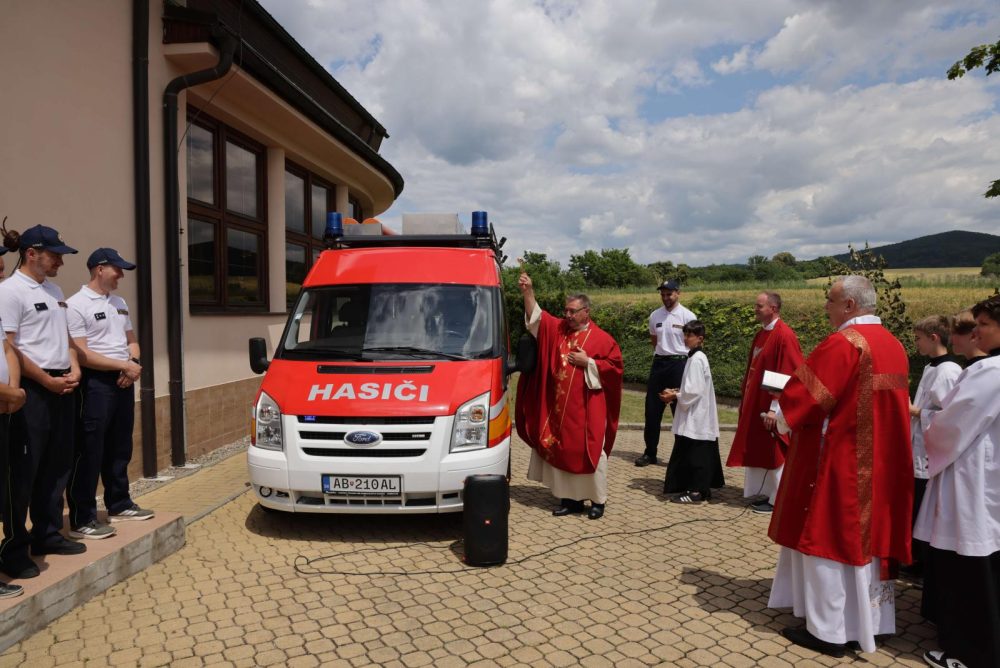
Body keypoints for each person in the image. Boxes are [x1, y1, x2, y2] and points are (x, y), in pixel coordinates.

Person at [766, 275, 912, 657]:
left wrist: (780, 416)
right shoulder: (894, 344)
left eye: (830, 301)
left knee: (826, 535)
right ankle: (872, 623)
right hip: (882, 462)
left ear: (849, 305)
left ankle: (829, 631)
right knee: (870, 540)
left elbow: (807, 396)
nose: (825, 308)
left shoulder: (845, 343)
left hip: (841, 461)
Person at [915, 294, 1000, 668]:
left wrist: (929, 425)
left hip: (974, 481)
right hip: (988, 478)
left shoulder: (990, 372)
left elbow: (950, 426)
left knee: (970, 568)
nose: (976, 331)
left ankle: (969, 654)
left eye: (984, 325)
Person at [0, 224, 85, 580]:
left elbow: (65, 338)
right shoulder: (10, 291)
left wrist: (74, 368)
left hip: (62, 386)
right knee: (24, 471)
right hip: (33, 390)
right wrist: (45, 380)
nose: (60, 262)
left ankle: (47, 533)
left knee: (57, 464)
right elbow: (10, 348)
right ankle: (14, 549)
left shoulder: (54, 290)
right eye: (55, 255)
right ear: (31, 253)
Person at [514, 270, 623, 520]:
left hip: (587, 410)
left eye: (573, 311)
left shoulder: (602, 340)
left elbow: (615, 370)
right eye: (566, 311)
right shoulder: (559, 330)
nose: (568, 315)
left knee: (592, 453)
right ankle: (570, 501)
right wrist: (528, 292)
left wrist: (590, 363)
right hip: (559, 410)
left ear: (586, 312)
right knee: (562, 452)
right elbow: (537, 318)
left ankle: (597, 501)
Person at [66, 248, 153, 539]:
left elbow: (131, 340)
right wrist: (124, 366)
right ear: (99, 269)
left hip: (123, 379)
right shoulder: (76, 304)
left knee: (120, 444)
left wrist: (133, 363)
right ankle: (83, 517)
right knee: (90, 448)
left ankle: (119, 503)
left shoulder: (119, 302)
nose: (121, 275)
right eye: (117, 269)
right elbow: (81, 353)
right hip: (96, 383)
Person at [726, 292, 803, 514]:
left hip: (771, 405)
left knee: (775, 449)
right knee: (762, 447)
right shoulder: (762, 334)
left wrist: (774, 409)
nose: (755, 309)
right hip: (757, 401)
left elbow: (787, 372)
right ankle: (768, 493)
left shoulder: (784, 335)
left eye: (759, 306)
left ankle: (780, 498)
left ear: (773, 308)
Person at [904, 316, 961, 578]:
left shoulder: (948, 372)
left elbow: (950, 417)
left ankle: (923, 563)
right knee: (917, 506)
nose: (916, 343)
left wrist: (915, 411)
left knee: (925, 509)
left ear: (934, 338)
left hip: (930, 454)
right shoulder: (932, 367)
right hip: (918, 447)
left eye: (918, 338)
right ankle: (916, 558)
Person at [661, 320, 724, 504]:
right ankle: (697, 488)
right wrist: (678, 391)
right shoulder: (694, 357)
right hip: (695, 410)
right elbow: (693, 386)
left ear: (700, 338)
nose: (685, 338)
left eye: (689, 335)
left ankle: (697, 492)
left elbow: (694, 390)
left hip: (697, 413)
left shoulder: (697, 359)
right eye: (685, 334)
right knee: (694, 451)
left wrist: (674, 395)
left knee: (696, 453)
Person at [636, 280, 696, 467]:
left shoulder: (688, 315)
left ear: (678, 293)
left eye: (669, 294)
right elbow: (655, 341)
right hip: (659, 364)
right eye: (662, 294)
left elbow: (692, 342)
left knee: (680, 411)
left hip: (679, 365)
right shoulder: (655, 315)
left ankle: (681, 456)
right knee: (652, 411)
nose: (665, 297)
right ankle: (650, 453)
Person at [0, 243, 28, 598]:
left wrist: (15, 392)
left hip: (6, 406)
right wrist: (10, 394)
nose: (2, 274)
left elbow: (8, 349)